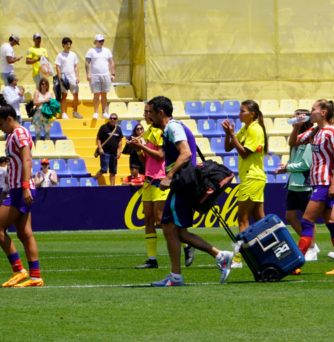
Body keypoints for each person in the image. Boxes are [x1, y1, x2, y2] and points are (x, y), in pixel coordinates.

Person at [143, 96, 233, 286]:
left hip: (181, 184)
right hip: (182, 183)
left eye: (150, 112)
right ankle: (217, 256)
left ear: (161, 112)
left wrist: (168, 176)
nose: (148, 116)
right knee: (176, 230)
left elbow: (186, 153)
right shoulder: (173, 127)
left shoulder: (172, 128)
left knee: (168, 227)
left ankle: (182, 274)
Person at [289, 99, 334, 275]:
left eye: (313, 109)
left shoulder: (331, 131)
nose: (311, 112)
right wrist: (297, 125)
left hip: (325, 184)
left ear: (323, 112)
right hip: (318, 183)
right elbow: (293, 143)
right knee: (332, 222)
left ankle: (296, 262)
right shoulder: (315, 130)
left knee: (307, 221)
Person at [0, 105, 43, 287]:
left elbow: (27, 159)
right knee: (25, 233)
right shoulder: (12, 136)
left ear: (9, 118)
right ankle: (35, 277)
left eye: (0, 123)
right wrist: (4, 193)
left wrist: (26, 186)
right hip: (16, 189)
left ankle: (19, 270)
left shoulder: (19, 133)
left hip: (21, 188)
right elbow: (12, 167)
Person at [223, 100, 268, 269]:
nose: (239, 114)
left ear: (252, 114)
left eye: (243, 111)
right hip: (253, 178)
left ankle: (238, 259)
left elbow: (243, 153)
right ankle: (269, 252)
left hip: (252, 178)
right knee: (259, 221)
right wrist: (228, 133)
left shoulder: (255, 129)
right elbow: (228, 148)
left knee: (242, 218)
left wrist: (233, 135)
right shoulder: (247, 128)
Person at [124, 117, 173, 269]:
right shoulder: (149, 132)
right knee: (148, 220)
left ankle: (185, 243)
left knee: (159, 220)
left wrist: (142, 147)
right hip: (149, 180)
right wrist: (138, 150)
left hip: (160, 180)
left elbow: (160, 155)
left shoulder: (161, 132)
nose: (145, 114)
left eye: (148, 111)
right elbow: (148, 162)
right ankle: (152, 259)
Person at [275, 109, 321, 262]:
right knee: (290, 216)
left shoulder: (309, 139)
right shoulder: (295, 139)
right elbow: (296, 161)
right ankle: (307, 243)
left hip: (304, 184)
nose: (293, 120)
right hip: (293, 183)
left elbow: (306, 164)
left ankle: (312, 248)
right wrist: (287, 165)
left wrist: (287, 167)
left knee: (308, 219)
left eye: (296, 118)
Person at [85, 34, 114, 120]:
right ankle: (96, 112)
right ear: (95, 42)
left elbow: (111, 62)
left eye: (103, 41)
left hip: (106, 75)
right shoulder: (91, 51)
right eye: (100, 41)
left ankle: (104, 112)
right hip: (95, 75)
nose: (101, 42)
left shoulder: (107, 51)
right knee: (96, 94)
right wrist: (88, 74)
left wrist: (113, 74)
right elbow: (87, 62)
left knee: (104, 94)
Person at [95, 113, 126, 186]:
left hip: (114, 153)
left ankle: (112, 187)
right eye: (111, 118)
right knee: (104, 169)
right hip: (105, 152)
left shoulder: (118, 128)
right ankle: (93, 180)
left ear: (117, 120)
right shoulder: (104, 127)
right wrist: (100, 148)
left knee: (113, 171)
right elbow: (98, 138)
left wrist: (120, 151)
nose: (112, 119)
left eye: (114, 118)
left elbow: (120, 141)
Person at [55, 37, 82, 119]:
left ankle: (75, 112)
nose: (69, 45)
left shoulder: (73, 54)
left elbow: (76, 66)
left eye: (70, 44)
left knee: (76, 95)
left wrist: (77, 76)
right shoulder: (60, 55)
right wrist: (59, 78)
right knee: (64, 95)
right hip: (64, 78)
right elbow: (58, 67)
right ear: (63, 45)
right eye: (67, 44)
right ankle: (63, 113)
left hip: (72, 78)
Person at [30, 76, 54, 143]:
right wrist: (44, 101)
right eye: (42, 84)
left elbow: (53, 104)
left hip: (47, 116)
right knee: (38, 135)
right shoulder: (37, 92)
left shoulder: (50, 93)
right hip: (38, 115)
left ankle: (48, 150)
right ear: (40, 85)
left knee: (47, 135)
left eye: (45, 84)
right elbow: (34, 102)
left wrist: (50, 102)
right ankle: (37, 148)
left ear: (47, 85)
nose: (44, 85)